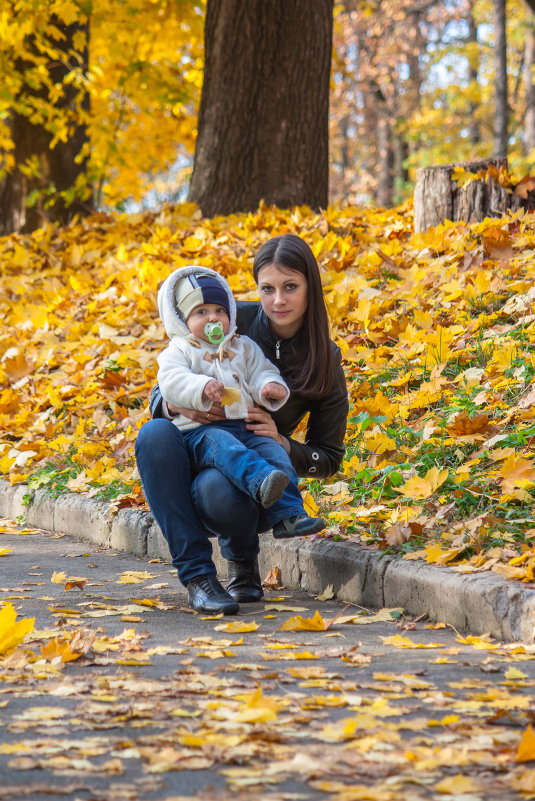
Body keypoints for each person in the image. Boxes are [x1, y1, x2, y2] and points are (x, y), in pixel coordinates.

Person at [135, 233, 349, 616]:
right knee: (153, 433)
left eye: (290, 287)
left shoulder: (325, 359)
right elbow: (164, 380)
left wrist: (286, 445)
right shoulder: (231, 317)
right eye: (267, 288)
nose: (277, 300)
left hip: (252, 474)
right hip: (193, 449)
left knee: (218, 486)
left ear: (310, 288)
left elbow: (329, 457)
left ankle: (242, 560)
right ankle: (198, 578)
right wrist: (178, 403)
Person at [156, 266, 325, 546]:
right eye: (201, 312)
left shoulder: (242, 345)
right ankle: (260, 481)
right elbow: (171, 381)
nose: (213, 318)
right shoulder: (180, 350)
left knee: (273, 451)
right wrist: (199, 387)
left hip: (244, 425)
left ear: (230, 314)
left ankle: (288, 516)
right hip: (202, 432)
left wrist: (270, 387)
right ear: (182, 320)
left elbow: (262, 370)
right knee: (226, 446)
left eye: (219, 311)